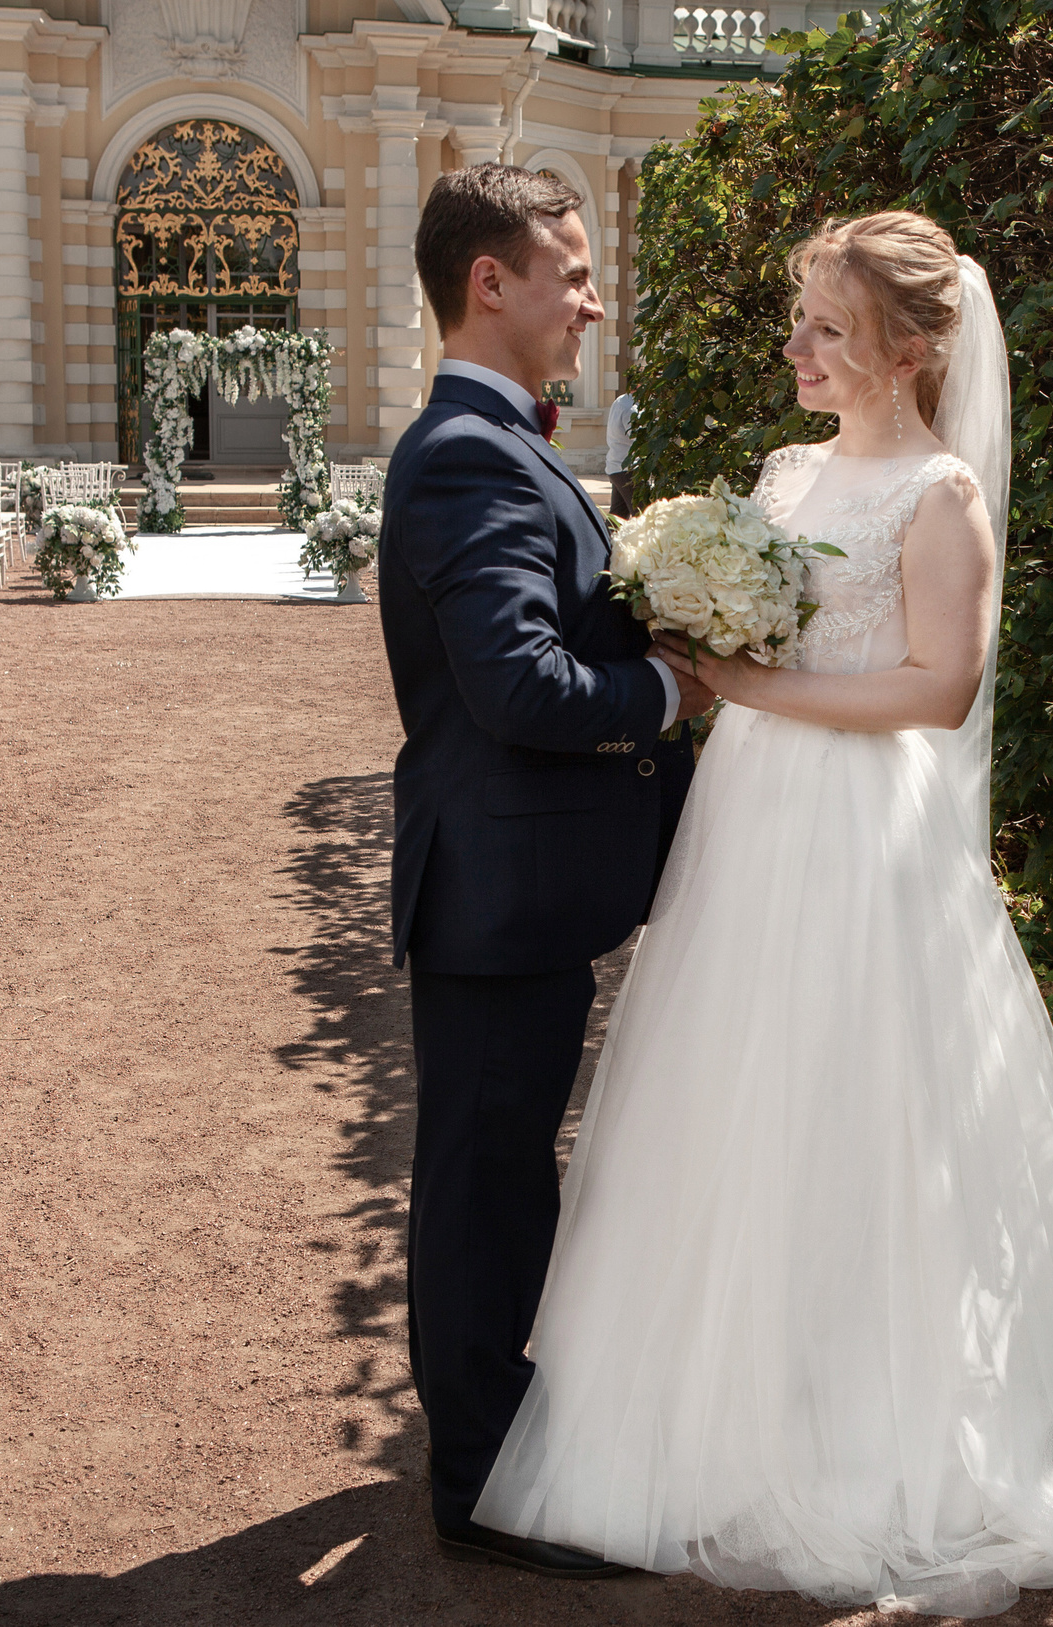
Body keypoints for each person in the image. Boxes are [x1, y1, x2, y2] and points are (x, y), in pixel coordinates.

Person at [471, 211, 1053, 1617]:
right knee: (737, 1087)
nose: (797, 347)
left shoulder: (940, 493)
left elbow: (937, 687)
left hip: (866, 831)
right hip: (753, 819)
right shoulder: (785, 474)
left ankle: (886, 1409)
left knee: (874, 1098)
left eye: (827, 328)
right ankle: (725, 1391)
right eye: (799, 319)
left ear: (908, 351)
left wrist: (753, 686)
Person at [376, 163, 710, 1580]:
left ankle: (502, 1443)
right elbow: (518, 685)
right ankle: (483, 1487)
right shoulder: (467, 452)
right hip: (495, 892)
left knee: (501, 1173)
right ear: (489, 282)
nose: (592, 300)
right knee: (484, 1183)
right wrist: (672, 691)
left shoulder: (492, 440)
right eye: (570, 274)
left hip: (515, 888)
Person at [603, 389, 637, 476]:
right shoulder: (631, 408)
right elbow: (639, 438)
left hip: (614, 466)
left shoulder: (621, 400)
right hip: (627, 468)